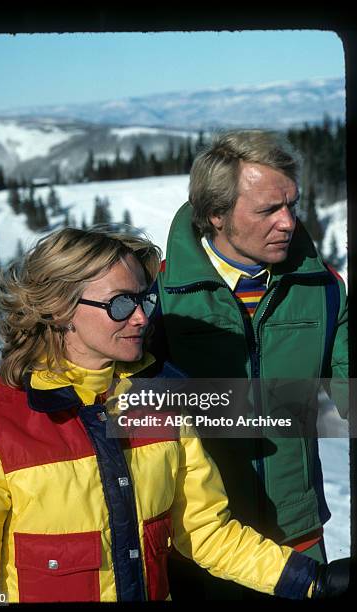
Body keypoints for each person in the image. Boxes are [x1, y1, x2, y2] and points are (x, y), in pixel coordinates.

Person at [0, 226, 348, 603]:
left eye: (144, 300)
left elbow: (205, 533)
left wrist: (315, 580)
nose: (142, 318)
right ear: (60, 310)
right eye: (121, 304)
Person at [155, 130, 349, 600]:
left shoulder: (323, 289)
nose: (288, 222)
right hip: (194, 548)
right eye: (267, 210)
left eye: (292, 205)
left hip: (296, 533)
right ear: (216, 215)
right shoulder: (156, 298)